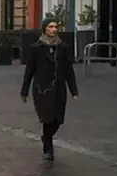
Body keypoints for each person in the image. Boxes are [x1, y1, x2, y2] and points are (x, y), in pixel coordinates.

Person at [20, 18, 78, 161]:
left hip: (59, 87)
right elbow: (29, 70)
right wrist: (24, 91)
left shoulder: (63, 47)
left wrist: (73, 90)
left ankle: (46, 137)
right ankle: (48, 149)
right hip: (42, 88)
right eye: (51, 26)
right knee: (47, 118)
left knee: (58, 119)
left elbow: (69, 70)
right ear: (45, 29)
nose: (54, 29)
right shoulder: (36, 48)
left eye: (55, 27)